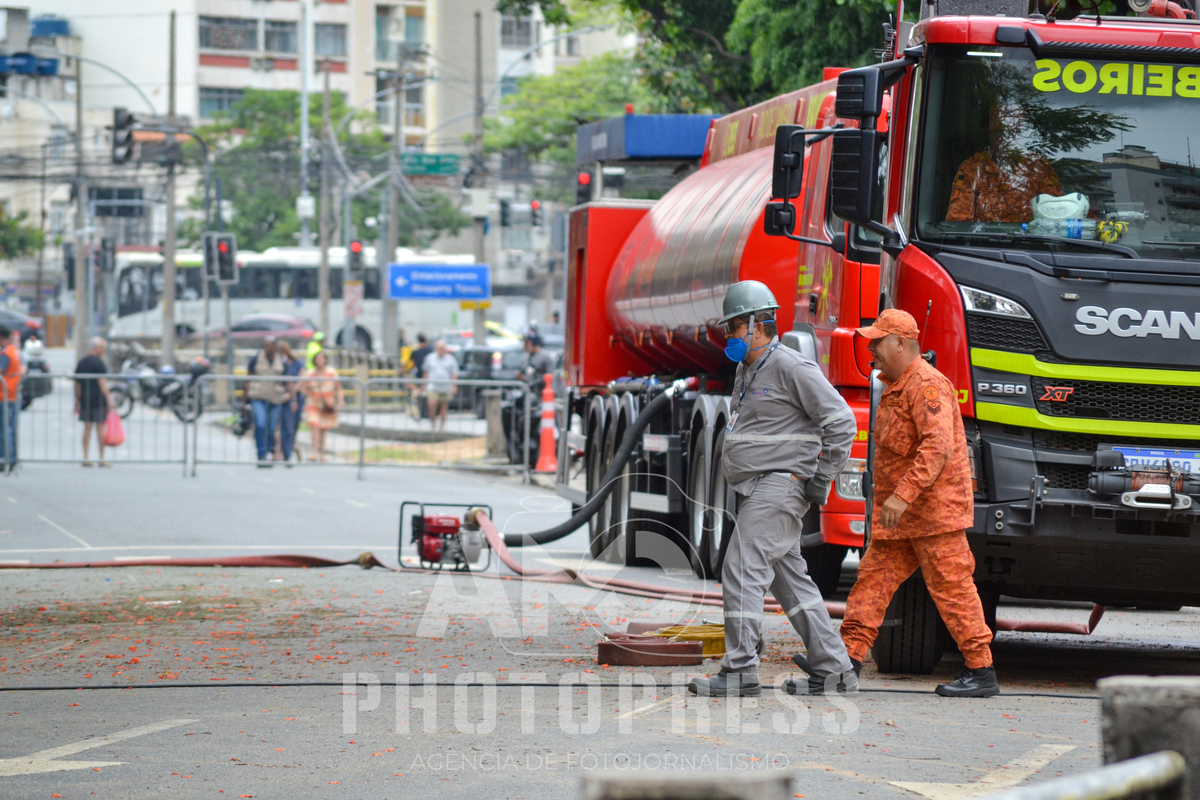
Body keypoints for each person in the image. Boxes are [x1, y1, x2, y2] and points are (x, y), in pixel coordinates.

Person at [687, 281, 859, 698]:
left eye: (734, 329)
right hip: (758, 487)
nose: (729, 337)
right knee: (791, 583)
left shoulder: (792, 367)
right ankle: (834, 668)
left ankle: (740, 669)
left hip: (779, 486)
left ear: (757, 325)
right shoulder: (749, 368)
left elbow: (841, 422)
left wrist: (821, 478)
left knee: (741, 568)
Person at [838, 308, 999, 698]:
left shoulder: (926, 385)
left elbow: (936, 447)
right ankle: (844, 664)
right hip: (903, 517)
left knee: (952, 588)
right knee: (871, 583)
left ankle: (981, 672)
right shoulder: (899, 384)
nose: (871, 348)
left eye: (877, 341)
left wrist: (901, 496)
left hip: (932, 515)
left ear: (900, 343)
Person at [245, 336, 287, 467]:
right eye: (266, 345)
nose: (268, 348)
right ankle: (261, 453)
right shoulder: (256, 358)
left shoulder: (282, 361)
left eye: (270, 345)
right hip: (258, 396)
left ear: (275, 347)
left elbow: (288, 380)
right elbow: (248, 378)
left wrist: (291, 397)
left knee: (271, 429)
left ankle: (269, 451)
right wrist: (244, 399)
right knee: (260, 424)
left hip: (275, 398)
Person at [73, 336, 115, 468]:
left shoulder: (82, 362)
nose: (104, 350)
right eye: (103, 348)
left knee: (87, 428)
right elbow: (102, 382)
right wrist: (109, 399)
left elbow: (76, 383)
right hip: (98, 400)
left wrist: (77, 400)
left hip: (85, 399)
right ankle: (101, 459)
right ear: (97, 348)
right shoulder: (99, 363)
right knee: (100, 428)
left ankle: (85, 457)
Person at [304, 350, 343, 462]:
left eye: (322, 358)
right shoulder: (311, 373)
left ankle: (322, 454)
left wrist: (340, 400)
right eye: (318, 359)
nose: (320, 361)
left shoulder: (331, 372)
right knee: (314, 426)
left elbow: (338, 387)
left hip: (327, 403)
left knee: (323, 428)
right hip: (313, 402)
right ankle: (314, 452)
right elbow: (305, 388)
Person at [421, 339, 458, 433]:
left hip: (445, 386)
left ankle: (442, 426)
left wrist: (454, 385)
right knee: (432, 404)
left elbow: (454, 373)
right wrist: (424, 385)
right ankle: (432, 422)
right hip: (433, 385)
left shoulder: (450, 359)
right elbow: (426, 372)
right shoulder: (430, 358)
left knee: (443, 406)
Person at [278, 342, 304, 464]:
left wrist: (291, 394)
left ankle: (291, 446)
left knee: (293, 426)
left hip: (295, 396)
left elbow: (301, 378)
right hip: (280, 397)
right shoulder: (279, 364)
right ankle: (285, 451)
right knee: (283, 426)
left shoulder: (297, 362)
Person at [0, 326, 23, 467]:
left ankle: (5, 459)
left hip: (5, 394)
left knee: (4, 430)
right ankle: (12, 458)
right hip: (12, 394)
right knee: (10, 429)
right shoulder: (14, 351)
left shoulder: (6, 353)